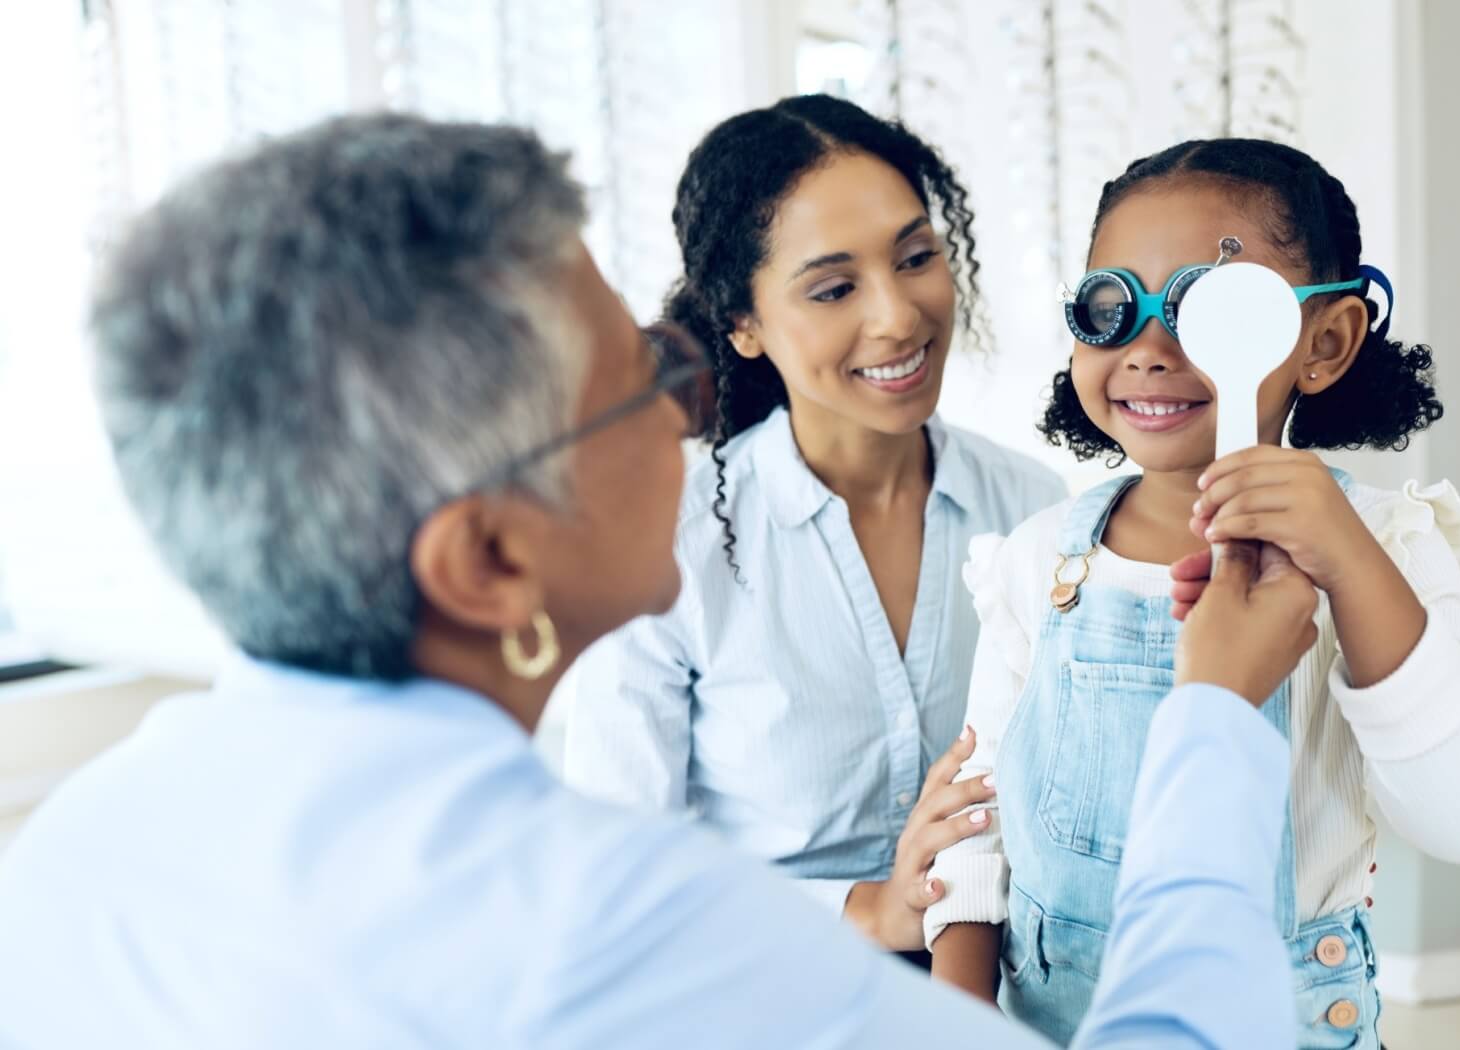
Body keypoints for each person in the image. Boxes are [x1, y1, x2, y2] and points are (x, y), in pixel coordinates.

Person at [0, 112, 1305, 1049]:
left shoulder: (73, 847)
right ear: (491, 560)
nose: (686, 414)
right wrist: (1215, 717)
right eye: (636, 378)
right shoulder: (624, 930)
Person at [924, 139, 1460, 1048]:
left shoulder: (1391, 553)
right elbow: (980, 828)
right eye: (1110, 306)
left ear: (1324, 342)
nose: (1150, 349)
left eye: (1208, 308)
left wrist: (1349, 563)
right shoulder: (1039, 558)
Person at [564, 95, 1063, 953]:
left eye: (915, 258)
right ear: (744, 326)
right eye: (834, 288)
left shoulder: (1033, 509)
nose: (898, 316)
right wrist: (866, 910)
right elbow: (619, 875)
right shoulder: (663, 541)